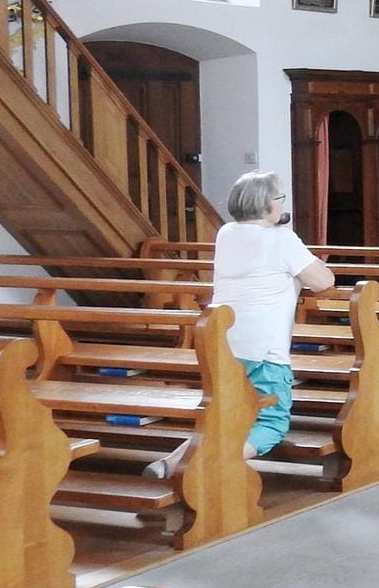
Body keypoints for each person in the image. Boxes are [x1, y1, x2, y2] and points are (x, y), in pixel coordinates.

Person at [143, 171, 336, 479]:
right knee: (271, 423)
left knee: (222, 416)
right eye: (279, 198)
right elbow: (323, 281)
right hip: (265, 348)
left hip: (226, 342)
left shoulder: (227, 233)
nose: (282, 204)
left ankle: (170, 462)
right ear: (265, 204)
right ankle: (205, 464)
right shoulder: (281, 238)